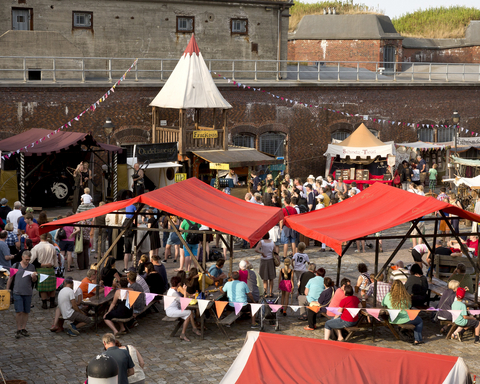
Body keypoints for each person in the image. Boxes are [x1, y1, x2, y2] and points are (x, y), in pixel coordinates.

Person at [6, 250, 37, 339]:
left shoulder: (32, 267)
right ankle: (18, 328)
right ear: (22, 257)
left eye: (29, 260)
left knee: (26, 311)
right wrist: (7, 290)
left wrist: (34, 277)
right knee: (19, 311)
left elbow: (34, 281)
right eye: (26, 259)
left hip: (28, 292)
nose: (28, 261)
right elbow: (10, 278)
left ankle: (23, 328)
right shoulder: (15, 266)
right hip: (17, 292)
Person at [382, 280, 424, 345]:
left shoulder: (388, 295)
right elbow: (409, 306)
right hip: (405, 318)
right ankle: (417, 339)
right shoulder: (406, 296)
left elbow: (383, 303)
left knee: (417, 320)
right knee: (419, 321)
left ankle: (413, 337)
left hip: (393, 318)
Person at [165, 276, 201, 342]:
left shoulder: (171, 290)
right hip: (171, 311)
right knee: (189, 313)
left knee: (189, 312)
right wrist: (184, 291)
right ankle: (183, 333)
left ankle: (194, 328)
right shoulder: (173, 293)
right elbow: (184, 303)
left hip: (174, 309)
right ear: (178, 284)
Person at [30, 233, 58, 309]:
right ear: (47, 237)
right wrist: (55, 265)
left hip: (40, 270)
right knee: (52, 287)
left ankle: (44, 304)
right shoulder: (52, 246)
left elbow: (31, 260)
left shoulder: (36, 247)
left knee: (43, 289)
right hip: (50, 269)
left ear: (40, 237)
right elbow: (55, 259)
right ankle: (52, 303)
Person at [255, 232, 276, 298]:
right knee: (271, 278)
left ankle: (265, 292)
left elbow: (256, 249)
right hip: (271, 260)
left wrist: (262, 253)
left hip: (264, 260)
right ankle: (271, 292)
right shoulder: (272, 242)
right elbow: (275, 252)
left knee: (265, 278)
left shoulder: (261, 242)